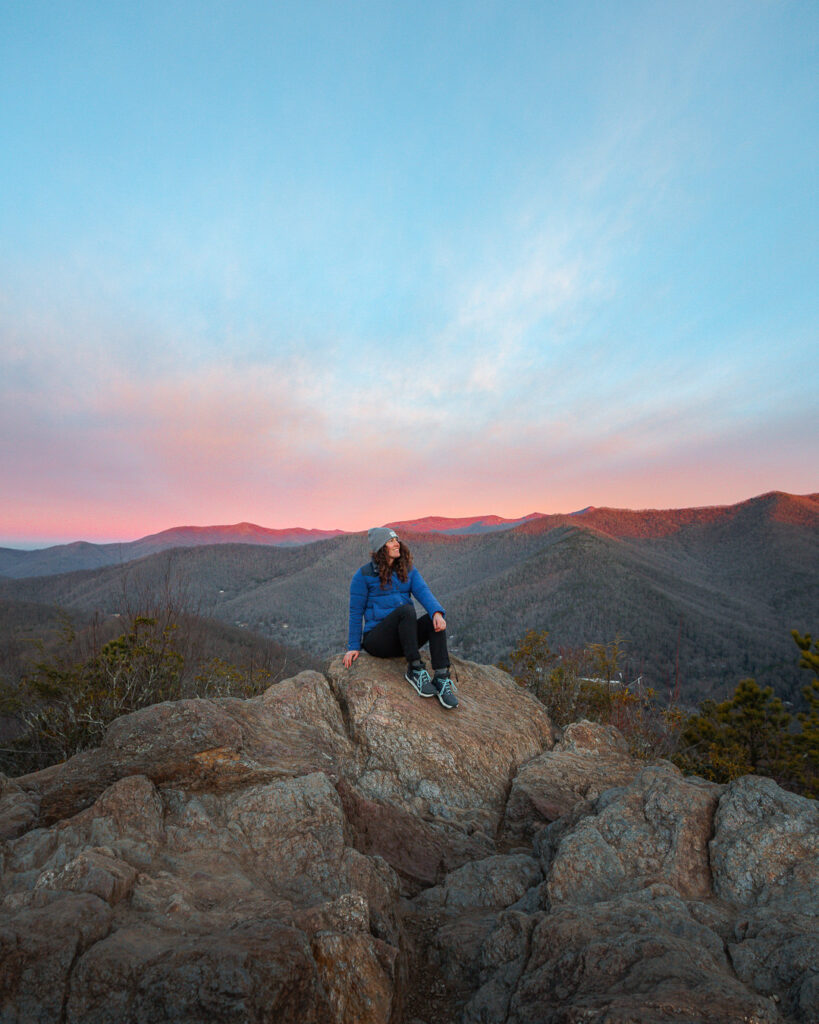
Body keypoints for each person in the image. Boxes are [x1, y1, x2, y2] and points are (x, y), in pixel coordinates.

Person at [343, 527, 458, 709]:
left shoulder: (407, 570)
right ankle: (415, 669)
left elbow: (424, 592)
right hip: (378, 640)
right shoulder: (363, 575)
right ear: (381, 547)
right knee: (406, 610)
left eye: (396, 539)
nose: (397, 543)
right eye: (391, 541)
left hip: (405, 639)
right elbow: (355, 612)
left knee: (433, 620)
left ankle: (441, 677)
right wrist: (353, 646)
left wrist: (437, 613)